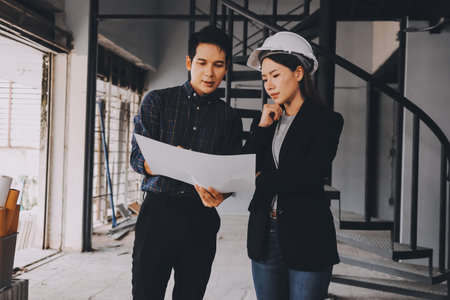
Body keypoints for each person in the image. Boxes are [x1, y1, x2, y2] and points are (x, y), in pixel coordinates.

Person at [130, 26, 243, 300]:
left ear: (226, 67)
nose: (210, 73)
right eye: (202, 63)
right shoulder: (158, 101)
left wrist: (221, 195)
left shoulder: (229, 117)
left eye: (218, 65)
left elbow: (230, 178)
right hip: (157, 213)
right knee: (146, 293)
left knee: (191, 295)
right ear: (189, 62)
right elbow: (136, 158)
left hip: (200, 218)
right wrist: (164, 161)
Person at [244, 31, 344, 300]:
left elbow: (310, 177)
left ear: (299, 73)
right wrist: (263, 128)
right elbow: (243, 165)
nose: (269, 85)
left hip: (308, 233)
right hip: (265, 233)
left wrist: (259, 179)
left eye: (275, 75)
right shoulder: (268, 119)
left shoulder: (327, 121)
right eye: (265, 78)